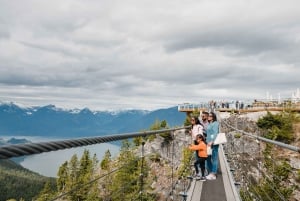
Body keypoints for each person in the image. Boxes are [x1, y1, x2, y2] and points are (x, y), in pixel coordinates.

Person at [205, 112, 220, 180]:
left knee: (214, 158)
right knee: (207, 157)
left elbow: (215, 133)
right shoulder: (209, 124)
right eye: (208, 116)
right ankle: (211, 172)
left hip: (213, 143)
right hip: (208, 143)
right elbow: (208, 133)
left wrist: (212, 141)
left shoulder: (215, 123)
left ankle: (213, 174)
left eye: (210, 116)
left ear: (213, 117)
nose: (209, 117)